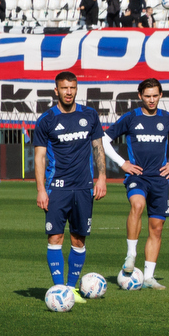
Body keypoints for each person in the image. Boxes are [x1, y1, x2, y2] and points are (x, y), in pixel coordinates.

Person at [101, 78, 169, 290]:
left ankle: (148, 277)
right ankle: (131, 254)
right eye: (147, 96)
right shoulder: (131, 117)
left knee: (156, 228)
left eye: (155, 95)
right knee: (137, 205)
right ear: (140, 96)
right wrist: (122, 163)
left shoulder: (167, 118)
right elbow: (104, 139)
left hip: (160, 179)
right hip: (137, 176)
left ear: (161, 95)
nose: (151, 100)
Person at [32, 71, 107, 298]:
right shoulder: (46, 120)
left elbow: (98, 148)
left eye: (72, 87)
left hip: (84, 187)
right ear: (56, 90)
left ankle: (73, 288)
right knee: (55, 237)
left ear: (76, 88)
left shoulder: (90, 115)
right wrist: (41, 189)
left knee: (78, 239)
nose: (68, 92)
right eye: (64, 88)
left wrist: (102, 178)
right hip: (57, 188)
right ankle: (59, 289)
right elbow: (39, 157)